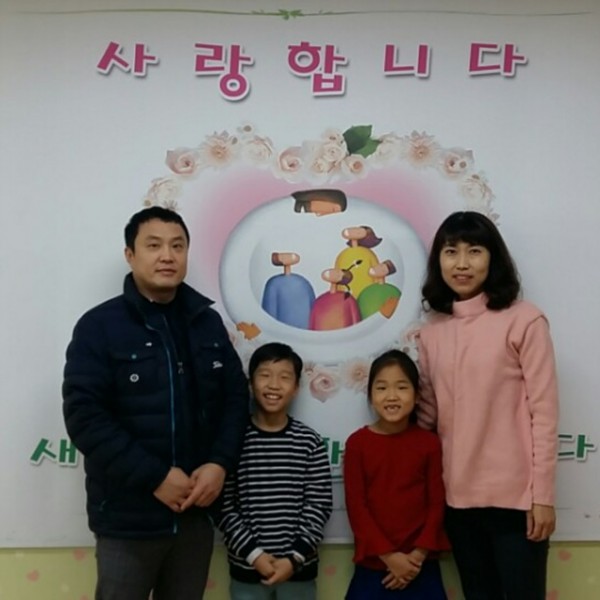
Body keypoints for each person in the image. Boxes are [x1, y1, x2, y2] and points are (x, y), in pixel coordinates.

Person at [62, 206, 249, 600]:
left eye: (177, 246)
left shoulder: (207, 323)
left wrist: (219, 464)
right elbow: (85, 417)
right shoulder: (99, 326)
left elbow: (235, 400)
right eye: (154, 245)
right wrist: (156, 477)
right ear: (130, 255)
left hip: (196, 513)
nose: (167, 256)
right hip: (127, 518)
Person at [417, 211, 559, 600]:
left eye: (475, 251)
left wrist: (543, 497)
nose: (462, 263)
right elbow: (428, 417)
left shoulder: (525, 321)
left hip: (517, 503)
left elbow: (544, 415)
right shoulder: (432, 333)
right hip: (457, 502)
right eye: (451, 252)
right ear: (438, 260)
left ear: (493, 258)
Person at [218, 342, 333, 600]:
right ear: (250, 384)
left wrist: (293, 558)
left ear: (296, 388)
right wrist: (254, 555)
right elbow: (224, 507)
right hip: (247, 571)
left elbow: (319, 505)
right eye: (265, 375)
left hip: (298, 570)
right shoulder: (233, 441)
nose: (273, 385)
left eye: (284, 377)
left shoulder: (309, 442)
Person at [344, 349, 450, 599]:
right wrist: (390, 557)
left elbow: (437, 504)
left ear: (417, 396)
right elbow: (357, 508)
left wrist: (417, 556)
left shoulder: (429, 443)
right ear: (370, 396)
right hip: (374, 564)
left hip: (420, 565)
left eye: (402, 387)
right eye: (381, 388)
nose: (391, 396)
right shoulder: (357, 444)